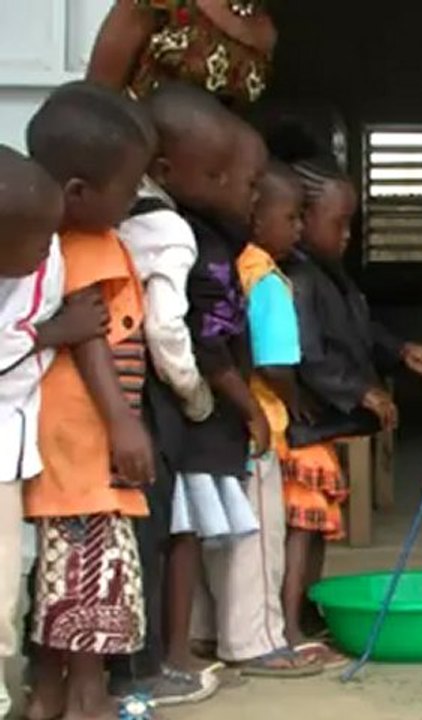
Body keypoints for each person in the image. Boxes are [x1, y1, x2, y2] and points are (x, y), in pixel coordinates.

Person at [22, 81, 157, 720]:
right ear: (79, 193)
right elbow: (92, 342)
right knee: (95, 568)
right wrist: (125, 424)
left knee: (58, 573)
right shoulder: (87, 245)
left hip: (65, 447)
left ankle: (49, 696)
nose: (135, 199)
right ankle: (88, 699)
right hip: (89, 448)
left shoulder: (50, 245)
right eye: (128, 189)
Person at [280, 158, 422, 663]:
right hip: (304, 429)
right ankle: (287, 627)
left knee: (318, 524)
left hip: (322, 430)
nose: (347, 235)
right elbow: (308, 354)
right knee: (303, 528)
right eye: (339, 223)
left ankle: (306, 613)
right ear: (301, 220)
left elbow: (359, 330)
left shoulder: (332, 276)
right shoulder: (299, 280)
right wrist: (361, 392)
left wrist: (398, 350)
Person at [112, 81, 230, 706]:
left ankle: (115, 666)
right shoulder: (169, 229)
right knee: (149, 536)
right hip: (151, 402)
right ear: (160, 168)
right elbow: (165, 328)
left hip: (103, 395)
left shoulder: (113, 218)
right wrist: (196, 397)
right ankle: (143, 666)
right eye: (213, 173)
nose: (221, 186)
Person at [192, 158, 322, 678]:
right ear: (258, 219)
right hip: (258, 424)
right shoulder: (266, 280)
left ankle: (208, 632)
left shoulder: (226, 267)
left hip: (216, 423)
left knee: (214, 538)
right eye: (291, 217)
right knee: (258, 539)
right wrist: (291, 403)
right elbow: (275, 361)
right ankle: (260, 641)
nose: (297, 229)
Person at [0, 147, 111, 719]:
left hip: (15, 457)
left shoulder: (44, 257)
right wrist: (50, 334)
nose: (50, 245)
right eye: (35, 239)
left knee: (9, 587)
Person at [87, 0, 276, 108]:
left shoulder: (267, 14)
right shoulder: (157, 3)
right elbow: (96, 97)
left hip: (223, 169)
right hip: (143, 162)